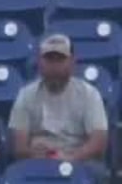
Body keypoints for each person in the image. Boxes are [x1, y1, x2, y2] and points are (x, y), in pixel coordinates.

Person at [9, 34, 110, 164]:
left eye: (60, 59)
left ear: (72, 62)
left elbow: (99, 142)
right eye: (49, 59)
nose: (54, 65)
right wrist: (33, 153)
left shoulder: (89, 94)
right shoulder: (25, 95)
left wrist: (71, 159)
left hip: (78, 160)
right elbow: (19, 147)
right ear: (39, 62)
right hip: (38, 161)